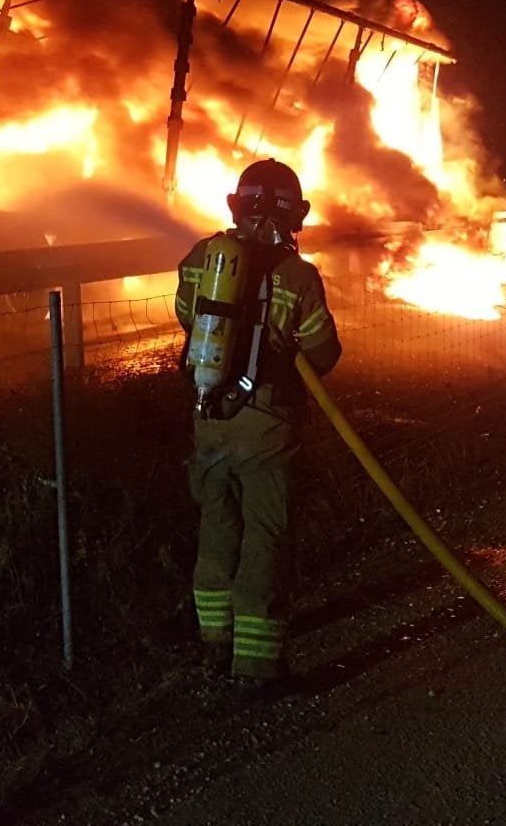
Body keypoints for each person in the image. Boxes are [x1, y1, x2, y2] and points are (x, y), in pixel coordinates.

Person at [175, 158, 342, 686]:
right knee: (265, 539)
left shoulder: (203, 258)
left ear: (233, 206)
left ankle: (213, 646)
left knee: (217, 530)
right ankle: (256, 667)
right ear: (301, 215)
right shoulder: (297, 276)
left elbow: (185, 314)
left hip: (211, 421)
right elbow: (323, 352)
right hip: (269, 431)